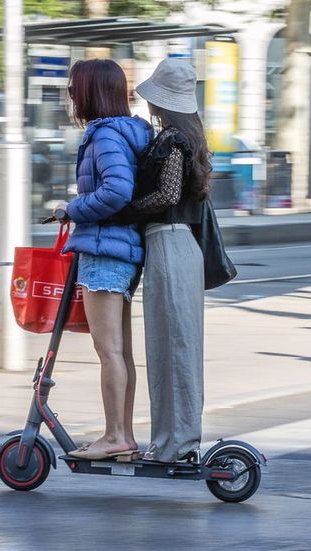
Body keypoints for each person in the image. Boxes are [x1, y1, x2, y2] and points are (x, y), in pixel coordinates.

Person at [59, 59, 154, 461]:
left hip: (104, 250)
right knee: (120, 352)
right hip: (122, 249)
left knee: (109, 351)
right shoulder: (130, 131)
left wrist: (72, 208)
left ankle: (116, 435)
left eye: (73, 87)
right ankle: (123, 436)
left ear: (89, 92)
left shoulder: (104, 136)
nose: (69, 94)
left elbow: (117, 190)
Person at [118, 59, 209, 464]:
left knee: (172, 348)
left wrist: (122, 211)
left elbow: (167, 196)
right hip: (176, 247)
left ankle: (176, 444)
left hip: (170, 246)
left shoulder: (173, 140)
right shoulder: (188, 136)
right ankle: (171, 441)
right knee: (172, 348)